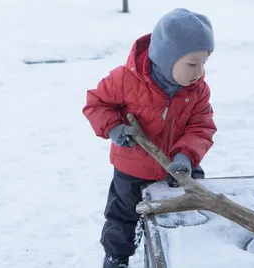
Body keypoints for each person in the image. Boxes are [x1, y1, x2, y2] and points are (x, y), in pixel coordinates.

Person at [82, 8, 217, 268]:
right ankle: (116, 258)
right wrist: (114, 128)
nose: (199, 71)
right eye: (192, 63)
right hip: (132, 169)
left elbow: (202, 126)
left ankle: (182, 257)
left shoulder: (198, 90)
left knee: (188, 215)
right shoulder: (124, 79)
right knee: (122, 220)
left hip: (180, 168)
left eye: (204, 63)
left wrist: (186, 156)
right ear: (167, 57)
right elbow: (95, 104)